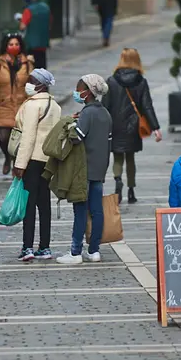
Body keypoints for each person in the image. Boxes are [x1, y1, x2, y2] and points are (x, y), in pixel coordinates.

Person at [57, 74, 112, 264]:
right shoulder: (105, 113)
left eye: (79, 88)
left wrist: (69, 125)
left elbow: (76, 138)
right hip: (99, 169)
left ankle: (75, 252)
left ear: (87, 92)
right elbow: (108, 143)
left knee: (80, 210)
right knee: (97, 211)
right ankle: (94, 250)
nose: (77, 92)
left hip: (84, 169)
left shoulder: (87, 113)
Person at [12, 69, 61, 261]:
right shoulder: (55, 106)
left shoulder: (32, 106)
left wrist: (19, 164)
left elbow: (28, 137)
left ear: (40, 84)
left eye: (31, 81)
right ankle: (45, 247)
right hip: (48, 161)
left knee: (29, 205)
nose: (28, 84)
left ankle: (27, 247)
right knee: (44, 204)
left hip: (31, 160)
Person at [102, 48, 162, 204]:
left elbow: (105, 106)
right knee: (130, 158)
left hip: (115, 126)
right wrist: (155, 128)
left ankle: (117, 181)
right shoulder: (141, 81)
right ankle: (131, 191)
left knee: (117, 156)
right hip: (133, 127)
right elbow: (147, 106)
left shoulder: (111, 81)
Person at [0, 34, 34, 175]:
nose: (14, 47)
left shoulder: (27, 63)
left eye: (16, 44)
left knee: (19, 138)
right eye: (11, 44)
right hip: (3, 105)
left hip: (21, 106)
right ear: (6, 46)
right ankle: (8, 157)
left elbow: (32, 85)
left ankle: (15, 162)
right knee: (3, 137)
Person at [19, 0, 51, 69]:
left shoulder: (28, 10)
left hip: (30, 45)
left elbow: (22, 26)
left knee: (30, 70)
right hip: (43, 45)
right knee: (41, 70)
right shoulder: (46, 8)